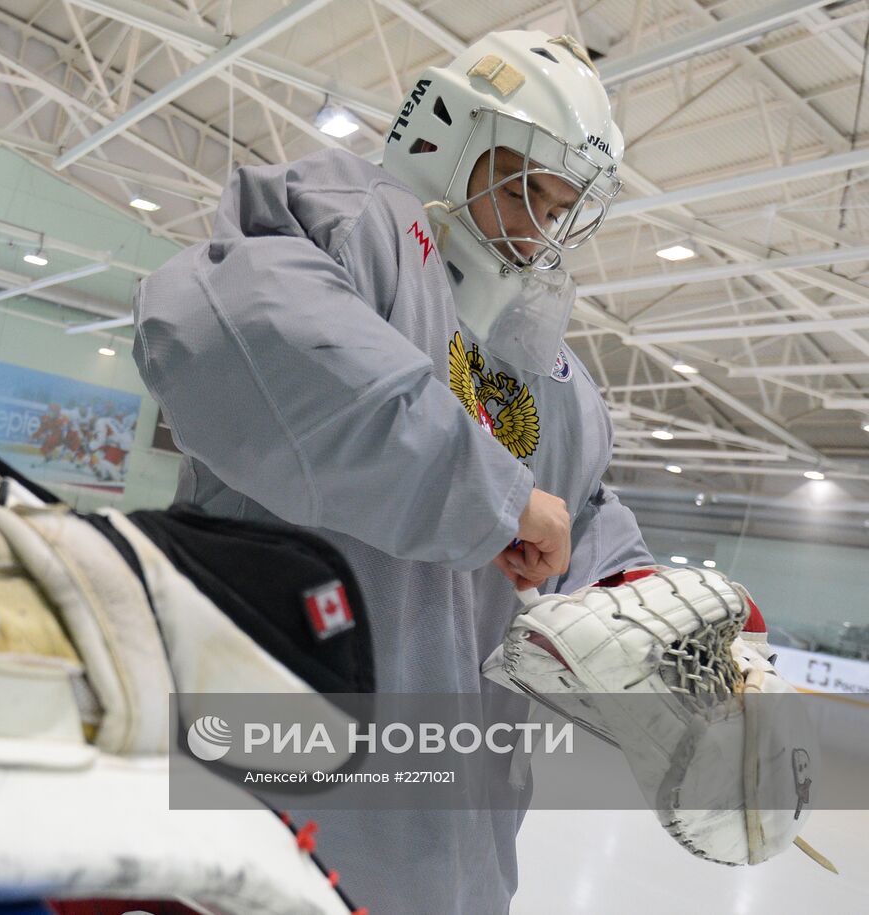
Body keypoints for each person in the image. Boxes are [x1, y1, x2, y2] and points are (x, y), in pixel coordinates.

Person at [133, 31, 652, 914]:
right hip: (273, 815)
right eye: (523, 188)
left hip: (457, 842)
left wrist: (642, 603)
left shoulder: (550, 368)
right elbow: (253, 333)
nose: (536, 230)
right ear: (448, 136)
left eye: (558, 207)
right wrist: (492, 497)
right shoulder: (347, 221)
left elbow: (580, 513)